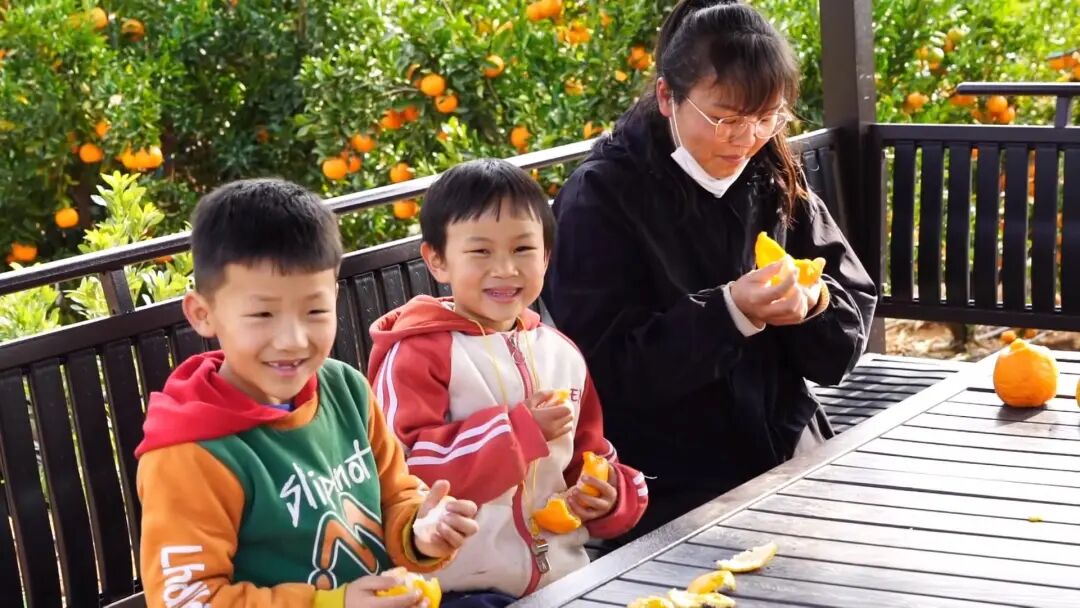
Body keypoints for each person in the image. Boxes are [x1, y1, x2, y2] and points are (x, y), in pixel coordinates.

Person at [542, 0, 877, 539]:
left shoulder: (771, 174)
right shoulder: (601, 197)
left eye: (766, 118)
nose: (745, 139)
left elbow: (845, 329)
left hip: (789, 448)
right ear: (667, 97)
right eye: (726, 119)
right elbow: (606, 372)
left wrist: (814, 304)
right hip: (667, 484)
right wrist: (729, 312)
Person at [135, 178, 479, 608]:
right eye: (263, 314)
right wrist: (332, 603)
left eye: (315, 310)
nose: (293, 340)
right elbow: (188, 600)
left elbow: (396, 496)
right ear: (203, 314)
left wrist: (420, 532)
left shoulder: (344, 389)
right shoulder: (191, 453)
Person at [367, 159, 649, 603]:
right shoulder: (418, 353)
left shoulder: (560, 353)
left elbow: (588, 457)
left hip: (566, 577)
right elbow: (404, 472)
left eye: (523, 249)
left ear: (547, 256)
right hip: (455, 588)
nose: (505, 269)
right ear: (437, 260)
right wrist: (518, 432)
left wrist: (608, 496)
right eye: (481, 252)